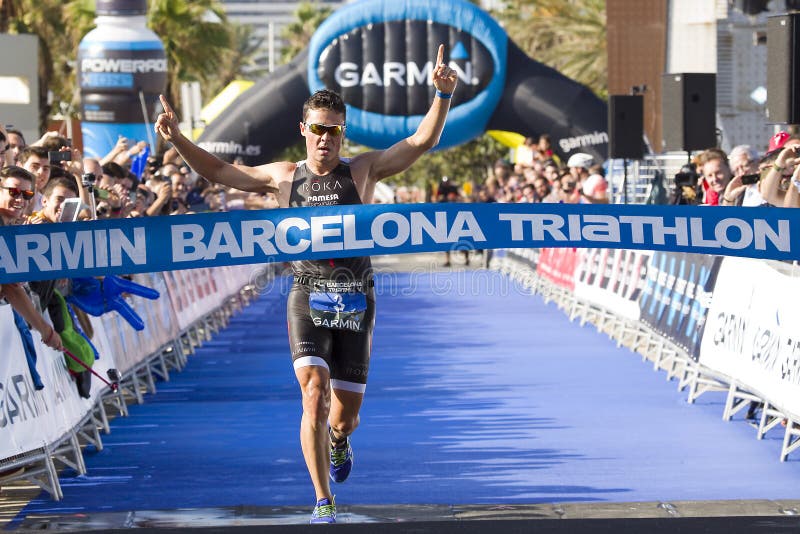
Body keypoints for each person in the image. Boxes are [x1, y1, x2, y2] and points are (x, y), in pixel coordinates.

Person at [155, 44, 457, 524]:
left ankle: (340, 441)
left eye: (333, 131)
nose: (324, 139)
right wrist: (177, 139)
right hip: (306, 295)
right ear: (303, 131)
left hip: (356, 298)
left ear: (343, 134)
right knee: (312, 392)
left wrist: (441, 96)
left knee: (345, 415)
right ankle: (322, 501)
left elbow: (420, 143)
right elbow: (217, 171)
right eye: (317, 129)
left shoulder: (362, 171)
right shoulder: (282, 177)